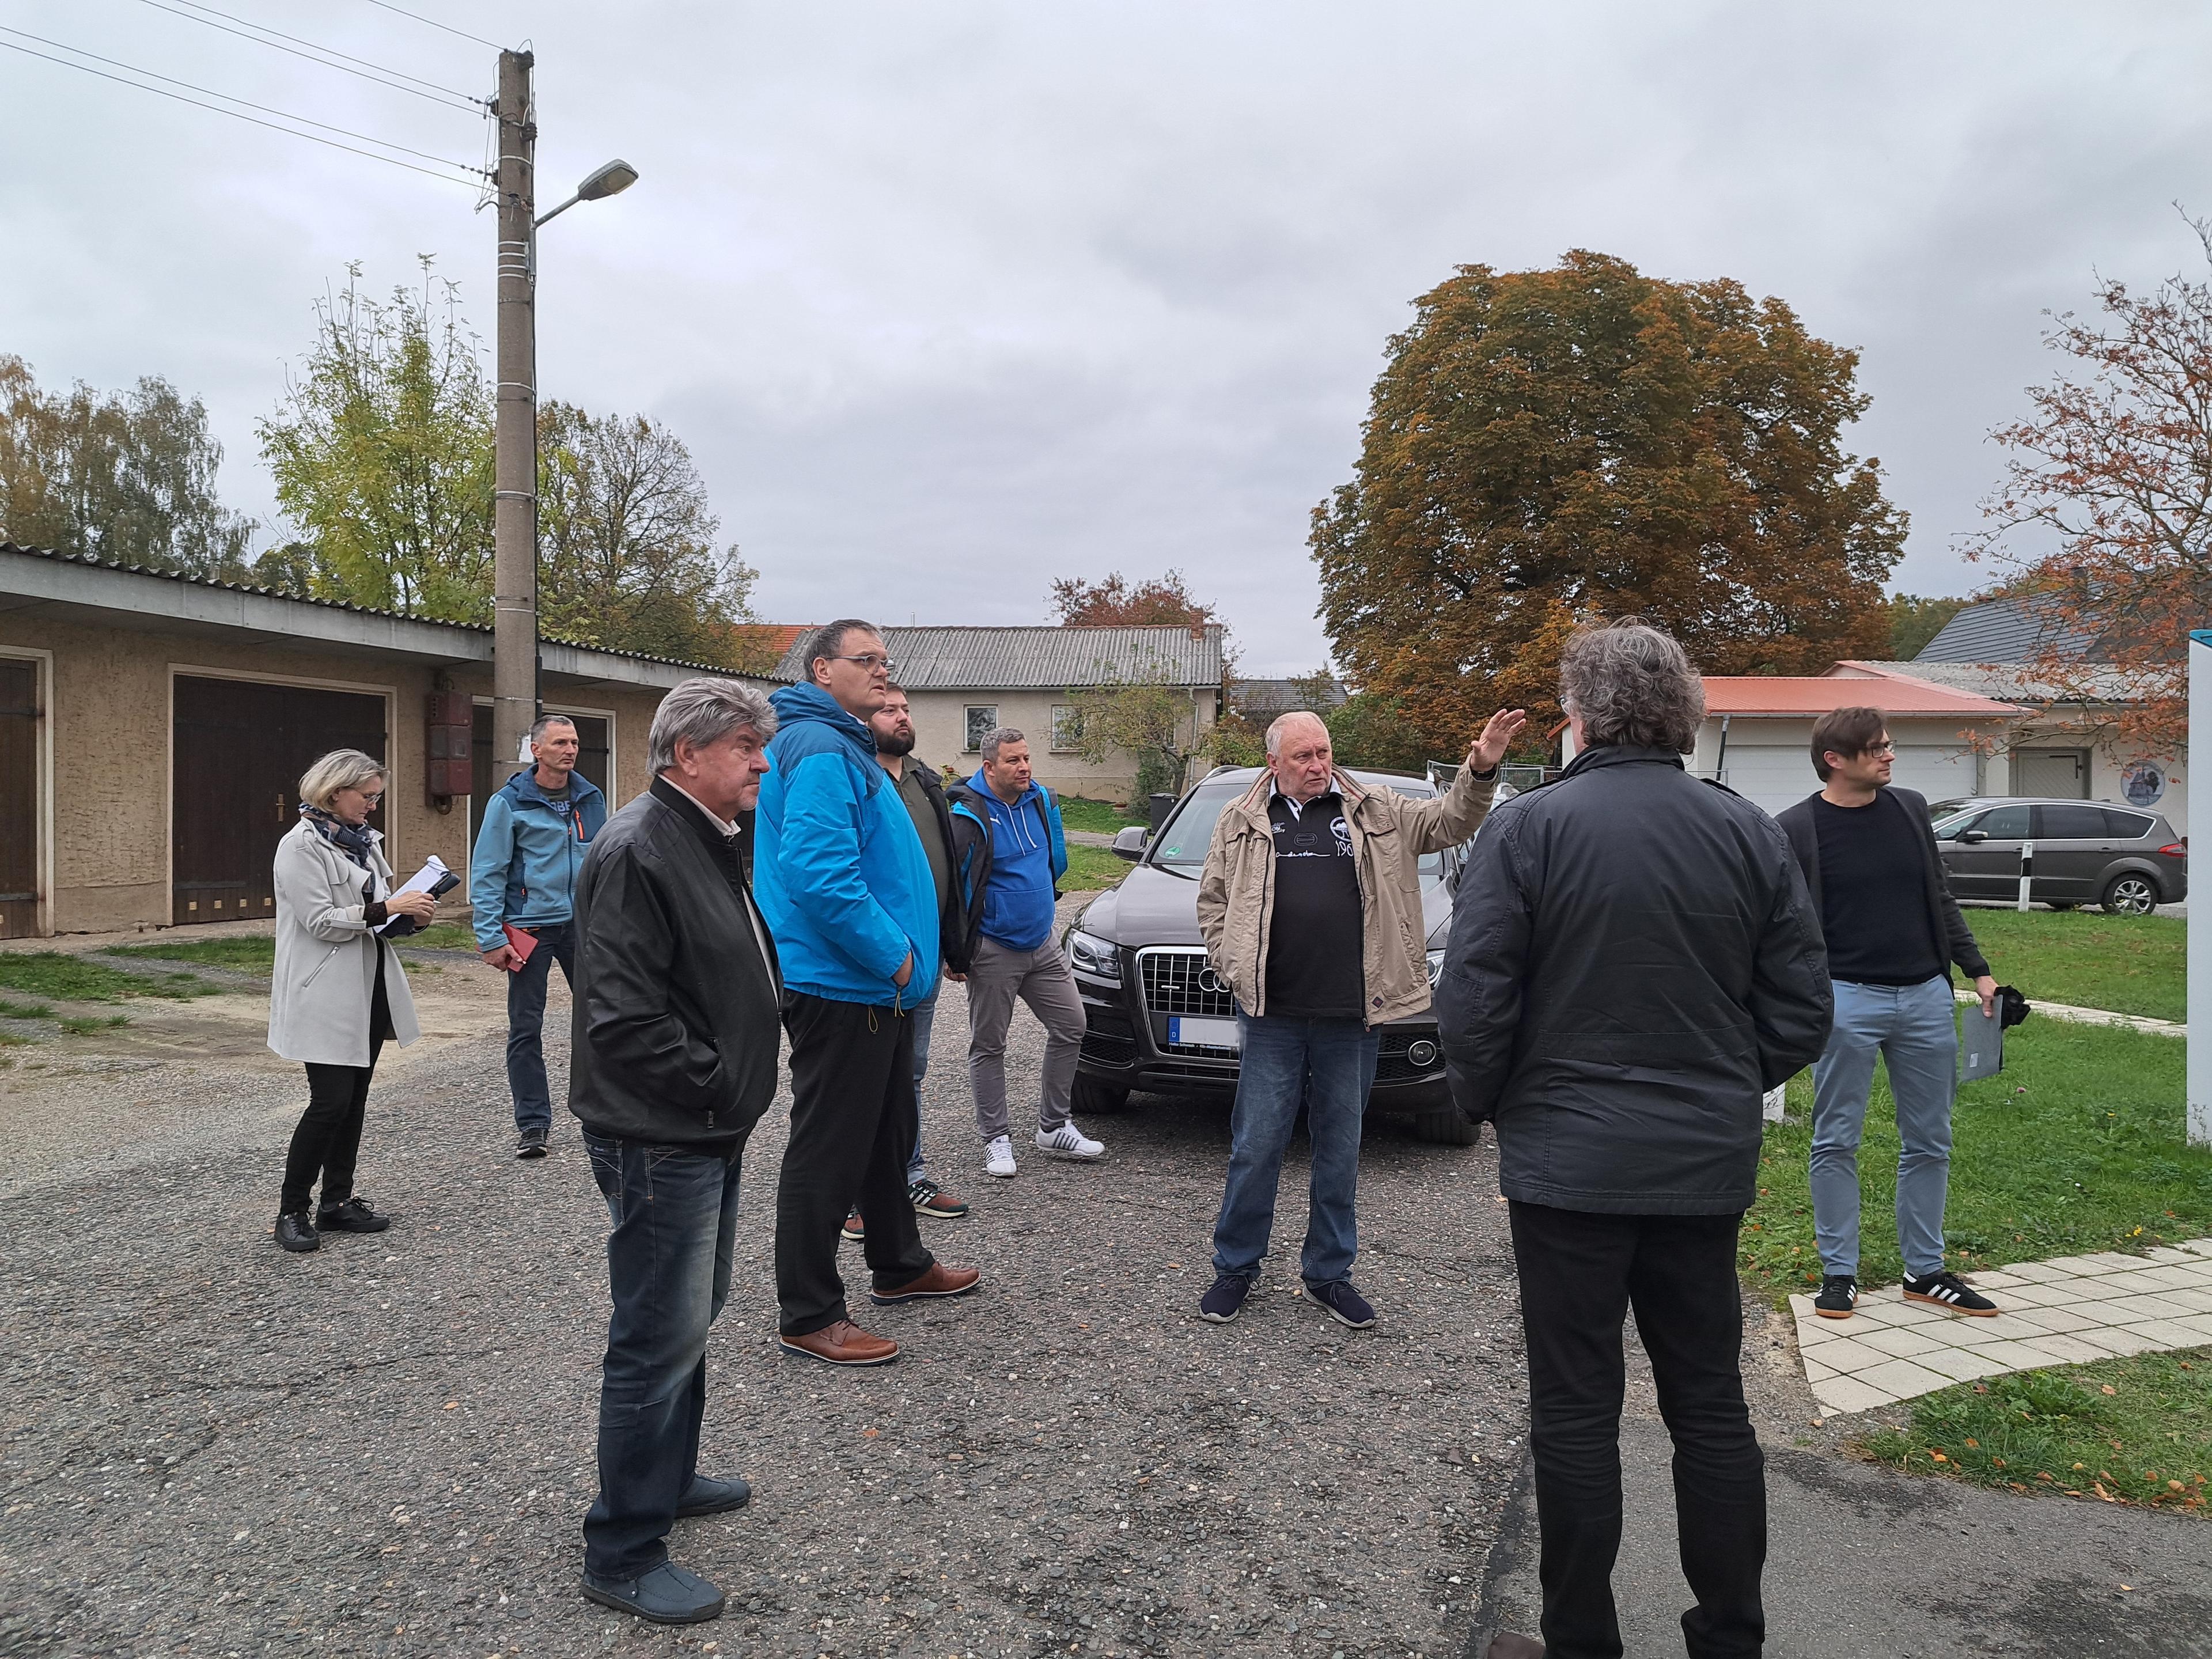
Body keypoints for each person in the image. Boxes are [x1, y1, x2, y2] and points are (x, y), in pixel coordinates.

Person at [1437, 621, 1831, 1659]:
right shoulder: (1748, 830)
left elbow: (1472, 1001)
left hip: (1569, 1168)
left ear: (1576, 716)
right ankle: (1731, 1640)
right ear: (1686, 716)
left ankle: (1580, 1644)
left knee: (1575, 1411)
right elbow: (1799, 1010)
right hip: (1699, 1167)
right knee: (1710, 1405)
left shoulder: (1529, 830)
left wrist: (1494, 1106)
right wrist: (1715, 1090)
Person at [1193, 703, 1521, 1329]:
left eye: (1323, 753)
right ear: (1274, 764)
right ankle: (1235, 1269)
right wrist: (1230, 960)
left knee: (1339, 1151)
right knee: (1256, 1147)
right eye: (1304, 757)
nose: (1318, 766)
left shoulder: (1376, 809)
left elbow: (1450, 823)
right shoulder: (1240, 820)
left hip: (1352, 1017)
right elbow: (1213, 899)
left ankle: (1329, 1274)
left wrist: (1480, 769)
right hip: (1272, 1017)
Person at [569, 679, 783, 1625]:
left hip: (705, 1128)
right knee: (656, 1335)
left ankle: (667, 1474)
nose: (762, 762)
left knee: (693, 1316)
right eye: (746, 746)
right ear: (687, 754)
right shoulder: (638, 849)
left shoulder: (705, 838)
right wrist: (716, 1080)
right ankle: (622, 1547)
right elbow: (621, 1018)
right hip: (664, 1137)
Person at [757, 620, 980, 1368]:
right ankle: (809, 1311)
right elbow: (820, 876)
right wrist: (893, 959)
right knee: (829, 1145)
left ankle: (900, 1263)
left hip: (869, 985)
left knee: (885, 1132)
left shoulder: (839, 741)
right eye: (866, 660)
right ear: (823, 669)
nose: (882, 672)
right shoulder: (820, 748)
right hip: (844, 982)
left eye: (886, 661)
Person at [1777, 707, 2002, 1321]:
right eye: (1876, 748)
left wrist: (1976, 969)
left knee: (1930, 1140)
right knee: (1835, 1139)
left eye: (1888, 745)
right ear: (1835, 759)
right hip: (1846, 999)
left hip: (1926, 995)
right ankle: (1838, 1273)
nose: (1890, 755)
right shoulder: (1795, 828)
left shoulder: (1909, 809)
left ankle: (1924, 1272)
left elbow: (1939, 894)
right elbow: (1779, 926)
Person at [268, 749, 432, 1253]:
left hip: (370, 986)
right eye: (368, 796)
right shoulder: (298, 847)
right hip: (324, 992)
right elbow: (320, 920)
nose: (373, 806)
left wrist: (410, 915)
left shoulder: (363, 843)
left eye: (377, 796)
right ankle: (291, 1210)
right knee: (329, 1102)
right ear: (335, 791)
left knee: (354, 1102)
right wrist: (387, 906)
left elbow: (374, 914)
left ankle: (336, 1202)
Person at [843, 684, 971, 1243]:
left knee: (911, 1073)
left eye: (904, 709)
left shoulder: (924, 782)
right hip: (875, 962)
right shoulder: (858, 779)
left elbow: (948, 868)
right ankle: (854, 1194)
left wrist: (954, 946)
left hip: (922, 959)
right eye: (887, 709)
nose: (900, 717)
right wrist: (885, 953)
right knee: (862, 1080)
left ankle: (908, 1175)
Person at [946, 726, 1101, 1178]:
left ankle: (1053, 1126)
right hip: (993, 947)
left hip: (1043, 941)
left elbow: (1051, 859)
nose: (1025, 768)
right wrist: (953, 950)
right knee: (989, 1044)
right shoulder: (966, 812)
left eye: (1027, 758)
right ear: (989, 766)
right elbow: (951, 887)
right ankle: (995, 1139)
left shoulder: (1038, 800)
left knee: (1073, 1026)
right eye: (1014, 761)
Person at [470, 713, 608, 1160]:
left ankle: (605, 1112)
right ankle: (533, 1124)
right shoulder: (508, 803)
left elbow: (605, 862)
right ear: (536, 750)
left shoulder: (591, 798)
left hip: (581, 927)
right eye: (560, 743)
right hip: (528, 927)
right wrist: (491, 936)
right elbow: (488, 872)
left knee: (601, 1021)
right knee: (525, 1028)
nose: (569, 750)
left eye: (574, 743)